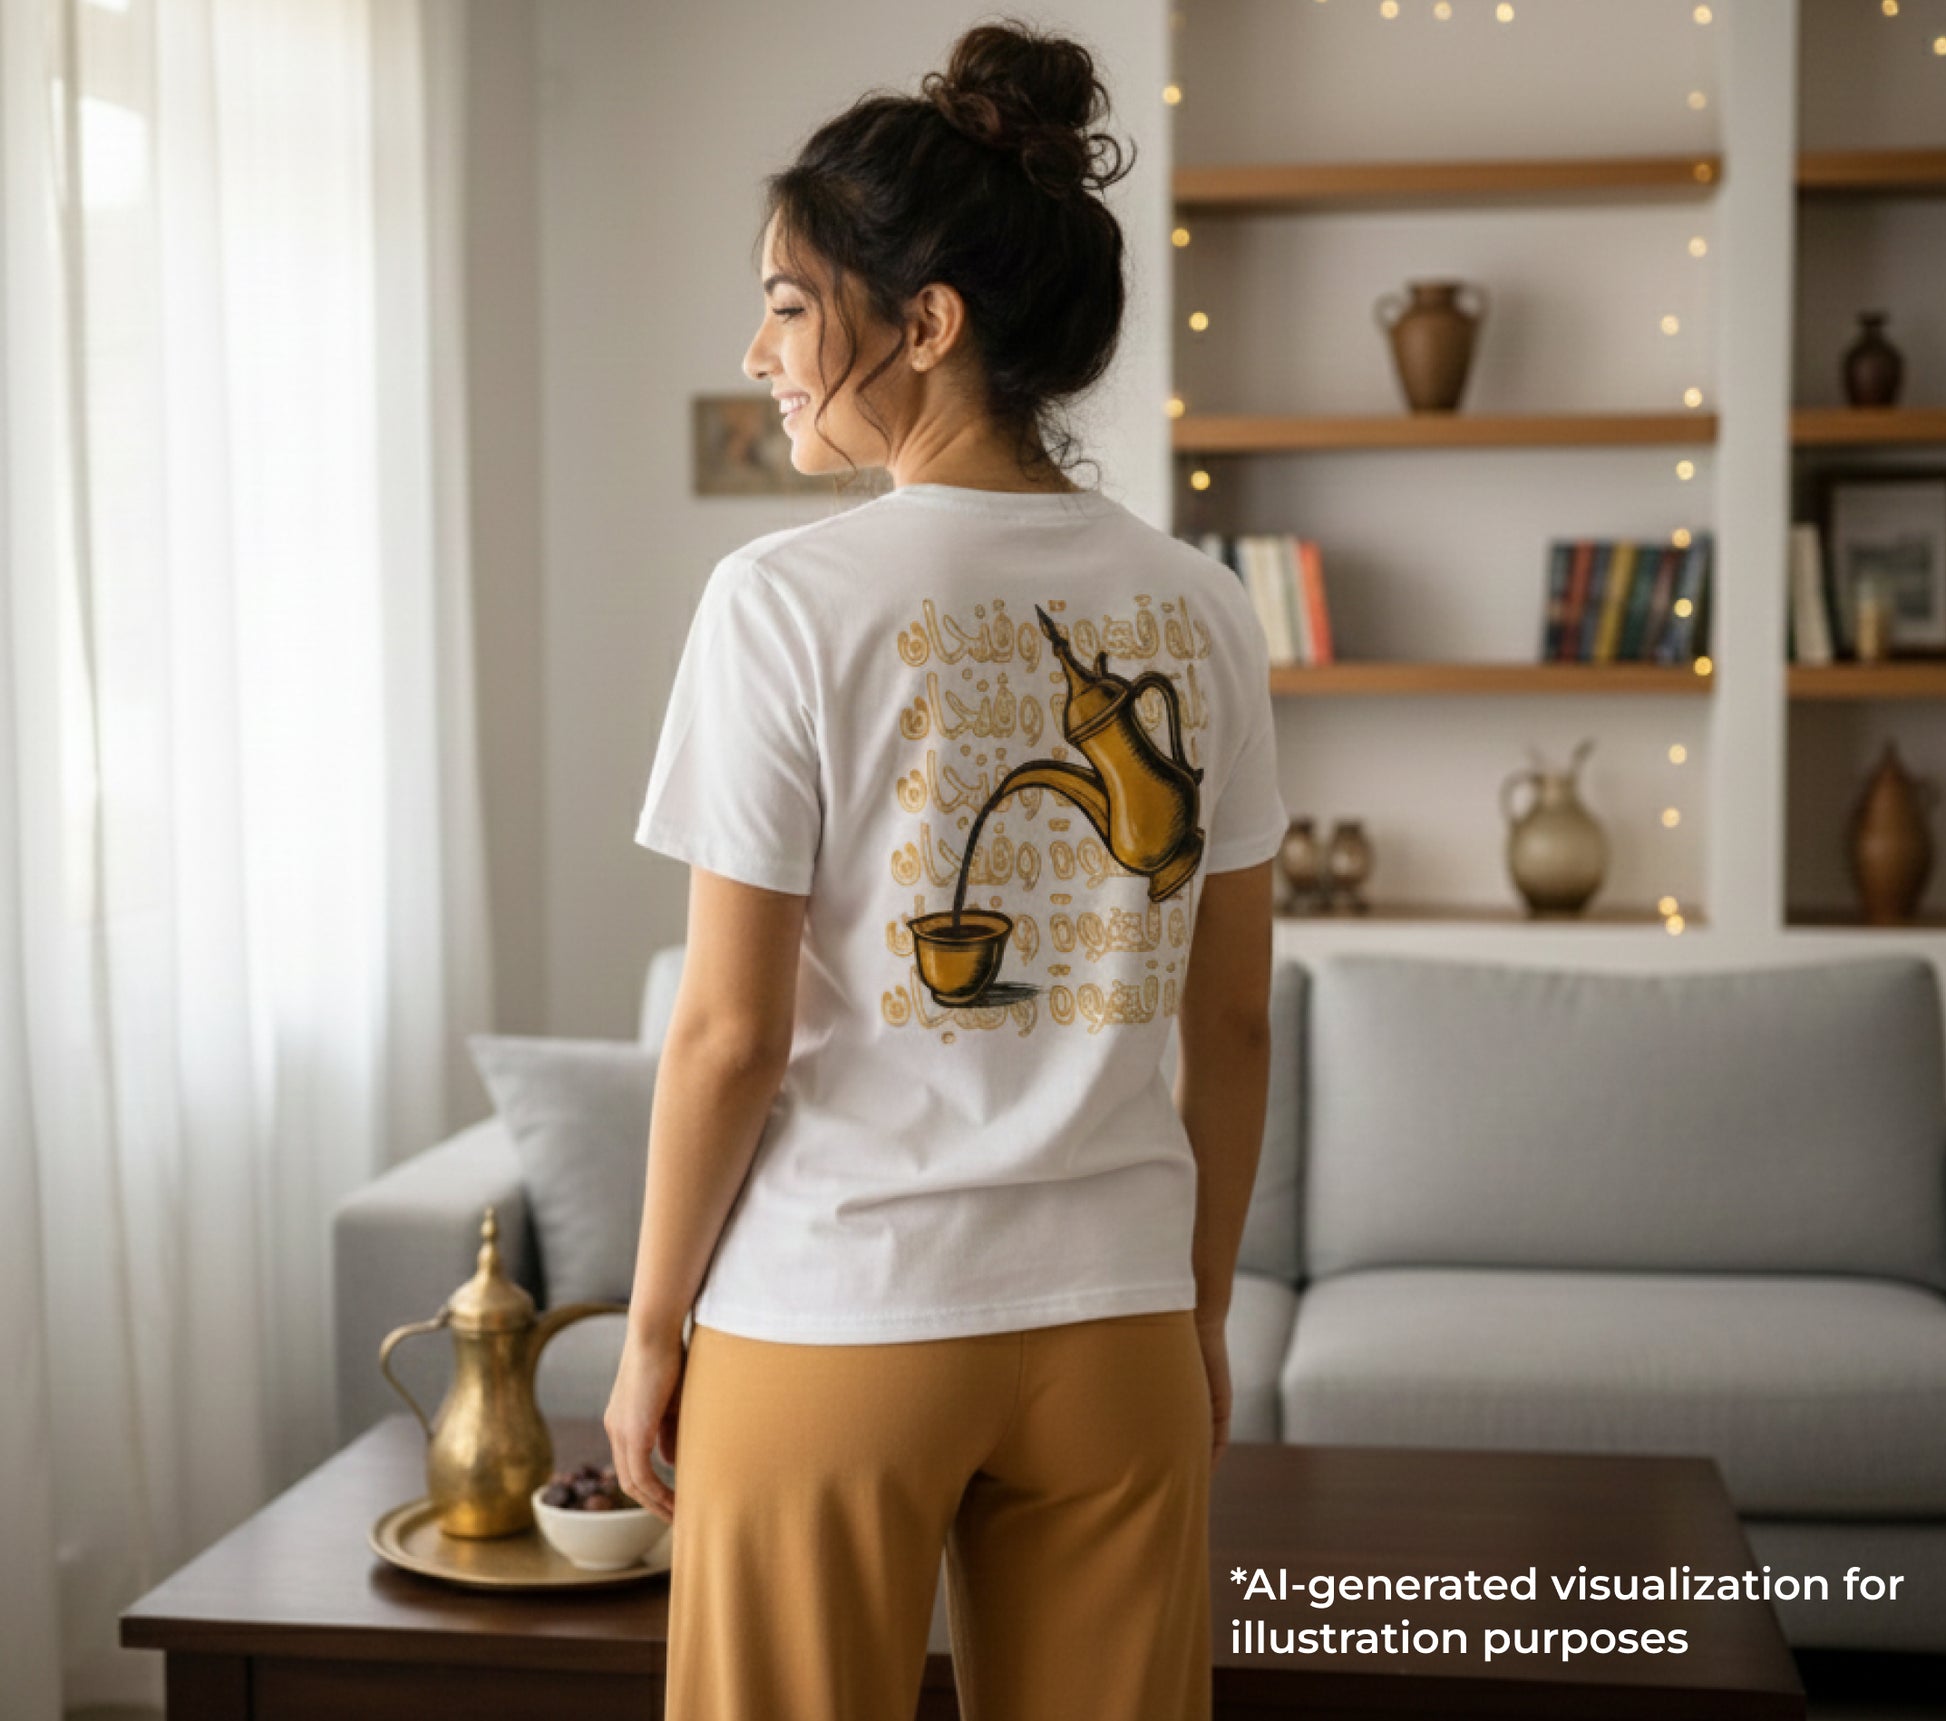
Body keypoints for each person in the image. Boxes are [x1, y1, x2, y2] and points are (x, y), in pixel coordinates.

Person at [605, 18, 1288, 1721]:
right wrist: (1194, 1313)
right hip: (1116, 1329)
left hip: (840, 1316)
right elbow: (1237, 1022)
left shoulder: (782, 601)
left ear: (925, 323)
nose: (756, 345)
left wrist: (646, 1334)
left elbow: (726, 1039)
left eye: (783, 298)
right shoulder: (1201, 604)